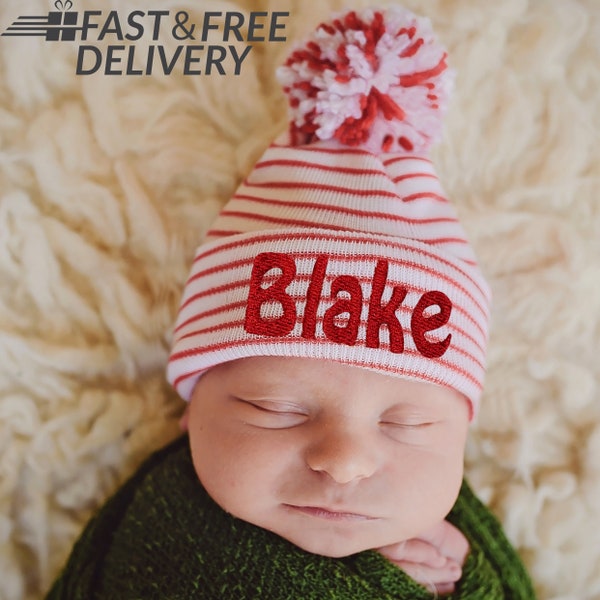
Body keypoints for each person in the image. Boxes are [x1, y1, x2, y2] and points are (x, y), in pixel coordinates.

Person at [46, 6, 535, 598]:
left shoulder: (459, 545)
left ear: (461, 436)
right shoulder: (164, 531)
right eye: (277, 408)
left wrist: (460, 578)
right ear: (192, 407)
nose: (345, 461)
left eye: (408, 424)